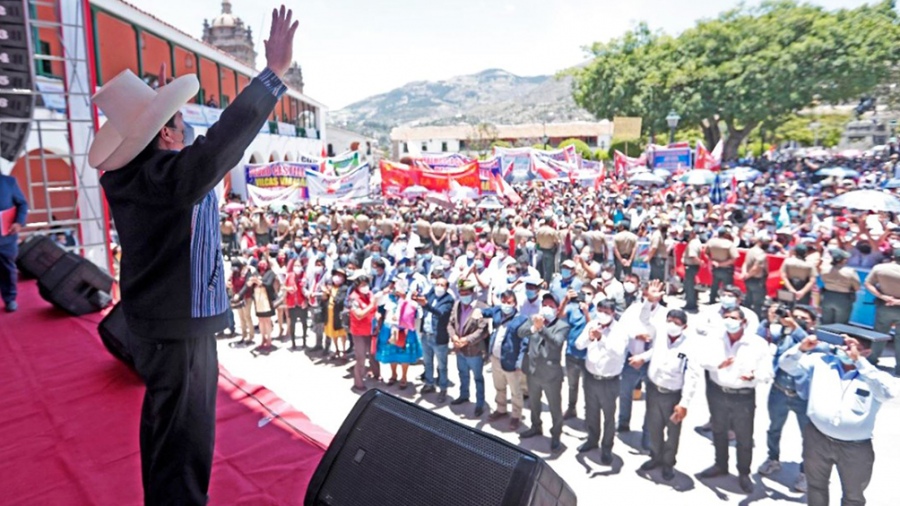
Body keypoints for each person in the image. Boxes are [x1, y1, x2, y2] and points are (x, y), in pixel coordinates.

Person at [89, 7, 297, 503]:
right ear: (165, 135)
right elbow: (218, 147)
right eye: (180, 124)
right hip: (177, 330)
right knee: (184, 446)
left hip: (163, 326)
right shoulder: (163, 180)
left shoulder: (141, 179)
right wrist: (272, 77)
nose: (188, 132)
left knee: (168, 434)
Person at [779, 332, 898, 506]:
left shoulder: (875, 376)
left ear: (866, 352)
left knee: (853, 495)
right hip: (817, 438)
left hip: (855, 448)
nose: (845, 350)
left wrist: (860, 363)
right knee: (816, 486)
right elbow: (786, 364)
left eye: (852, 346)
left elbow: (887, 393)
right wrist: (801, 349)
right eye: (844, 344)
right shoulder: (821, 362)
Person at [697, 306, 773, 494]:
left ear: (744, 322)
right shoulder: (715, 338)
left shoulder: (757, 344)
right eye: (727, 317)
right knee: (719, 431)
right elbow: (702, 359)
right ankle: (720, 464)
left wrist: (754, 376)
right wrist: (718, 364)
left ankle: (744, 473)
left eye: (734, 317)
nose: (729, 320)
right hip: (718, 392)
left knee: (744, 437)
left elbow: (767, 372)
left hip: (743, 397)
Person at [757, 305, 826, 493]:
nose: (796, 319)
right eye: (794, 317)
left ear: (813, 322)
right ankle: (773, 458)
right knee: (774, 428)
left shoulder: (820, 340)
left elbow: (812, 347)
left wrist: (796, 327)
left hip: (803, 397)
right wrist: (771, 318)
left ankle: (806, 472)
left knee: (809, 437)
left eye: (803, 318)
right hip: (779, 391)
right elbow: (760, 336)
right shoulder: (784, 336)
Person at [628, 309, 700, 481]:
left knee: (673, 432)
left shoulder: (690, 346)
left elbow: (692, 375)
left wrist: (684, 403)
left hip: (673, 395)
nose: (672, 325)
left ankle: (668, 463)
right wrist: (642, 358)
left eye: (677, 322)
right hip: (654, 390)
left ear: (684, 326)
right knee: (654, 428)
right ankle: (656, 457)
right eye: (670, 320)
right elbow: (653, 351)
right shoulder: (661, 336)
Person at [575, 300, 628, 464]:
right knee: (591, 411)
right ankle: (592, 439)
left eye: (606, 311)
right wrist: (589, 338)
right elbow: (578, 344)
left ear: (613, 313)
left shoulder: (620, 330)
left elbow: (618, 353)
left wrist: (601, 339)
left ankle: (606, 447)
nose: (602, 314)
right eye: (600, 310)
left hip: (609, 381)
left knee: (608, 416)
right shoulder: (592, 324)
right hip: (591, 377)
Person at [518, 293, 570, 452]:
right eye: (545, 304)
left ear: (557, 309)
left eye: (551, 305)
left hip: (551, 375)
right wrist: (534, 326)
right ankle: (535, 426)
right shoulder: (534, 319)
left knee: (555, 407)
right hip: (533, 371)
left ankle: (556, 434)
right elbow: (521, 332)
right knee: (534, 403)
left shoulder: (562, 326)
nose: (547, 308)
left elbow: (556, 342)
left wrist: (541, 329)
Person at [483, 290, 529, 430]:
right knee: (499, 387)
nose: (506, 305)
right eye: (504, 302)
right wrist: (478, 310)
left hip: (511, 362)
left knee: (516, 391)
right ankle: (501, 409)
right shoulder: (498, 312)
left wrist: (519, 362)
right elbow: (486, 311)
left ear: (515, 303)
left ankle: (516, 416)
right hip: (496, 358)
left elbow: (524, 343)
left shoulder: (521, 320)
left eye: (509, 302)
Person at [448, 280, 489, 416]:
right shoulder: (457, 305)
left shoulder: (482, 307)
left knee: (478, 378)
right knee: (463, 374)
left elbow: (482, 330)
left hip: (474, 350)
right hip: (460, 349)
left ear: (472, 293)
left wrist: (466, 340)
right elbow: (451, 323)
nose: (464, 295)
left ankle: (479, 404)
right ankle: (464, 395)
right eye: (461, 293)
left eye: (466, 293)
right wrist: (453, 336)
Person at [375, 277, 422, 388]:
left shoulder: (411, 298)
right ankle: (393, 374)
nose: (396, 287)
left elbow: (418, 313)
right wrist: (383, 292)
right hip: (388, 328)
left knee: (404, 353)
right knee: (391, 352)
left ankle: (404, 377)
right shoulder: (388, 297)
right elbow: (377, 302)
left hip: (404, 329)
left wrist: (406, 298)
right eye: (394, 284)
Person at [415, 277, 455, 403]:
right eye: (437, 284)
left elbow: (440, 313)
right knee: (427, 362)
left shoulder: (448, 300)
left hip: (439, 337)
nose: (438, 287)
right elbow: (422, 298)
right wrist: (416, 297)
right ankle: (429, 383)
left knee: (442, 366)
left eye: (442, 285)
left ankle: (443, 388)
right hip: (426, 334)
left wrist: (425, 304)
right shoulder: (431, 294)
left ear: (446, 287)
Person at [864, 247, 900, 374]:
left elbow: (868, 284)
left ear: (893, 257)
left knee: (879, 335)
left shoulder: (880, 268)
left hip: (885, 305)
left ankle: (872, 361)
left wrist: (882, 296)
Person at [0, 173, 28, 313]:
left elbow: (22, 203)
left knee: (7, 269)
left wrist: (18, 222)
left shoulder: (9, 182)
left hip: (6, 236)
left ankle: (10, 299)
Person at [347, 271, 378, 392]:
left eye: (366, 284)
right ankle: (358, 384)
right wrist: (371, 305)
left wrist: (376, 314)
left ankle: (376, 374)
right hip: (359, 332)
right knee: (361, 358)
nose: (365, 287)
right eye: (362, 285)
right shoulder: (353, 298)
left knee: (373, 354)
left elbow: (374, 309)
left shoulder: (370, 294)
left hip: (371, 329)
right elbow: (359, 315)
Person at [819, 248, 859, 325]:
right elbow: (857, 287)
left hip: (827, 296)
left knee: (826, 321)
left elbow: (823, 280)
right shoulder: (850, 272)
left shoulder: (824, 269)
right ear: (843, 260)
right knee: (841, 323)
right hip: (843, 297)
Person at [741, 231, 770, 318]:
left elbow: (745, 263)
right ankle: (756, 319)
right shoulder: (761, 254)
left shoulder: (751, 250)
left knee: (748, 300)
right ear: (760, 242)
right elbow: (756, 268)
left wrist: (744, 274)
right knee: (758, 303)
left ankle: (745, 316)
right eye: (766, 242)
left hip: (749, 279)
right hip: (756, 280)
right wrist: (747, 275)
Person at [707, 227, 738, 305]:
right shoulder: (729, 244)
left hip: (715, 268)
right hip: (726, 269)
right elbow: (734, 258)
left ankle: (712, 300)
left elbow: (705, 252)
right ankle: (726, 303)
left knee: (714, 285)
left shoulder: (711, 242)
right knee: (728, 288)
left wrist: (712, 261)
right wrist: (721, 264)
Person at [682, 227, 702, 312]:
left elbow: (693, 256)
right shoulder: (693, 242)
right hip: (692, 266)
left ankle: (691, 304)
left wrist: (701, 262)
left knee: (690, 286)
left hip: (691, 266)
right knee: (690, 285)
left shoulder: (693, 243)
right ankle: (692, 302)